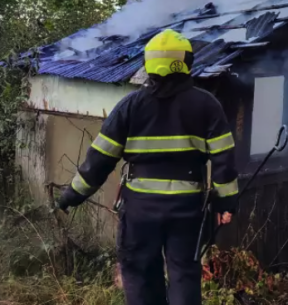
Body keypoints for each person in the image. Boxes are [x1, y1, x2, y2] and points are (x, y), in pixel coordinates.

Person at [57, 29, 239, 305]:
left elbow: (100, 159)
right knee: (184, 275)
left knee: (140, 275)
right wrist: (227, 204)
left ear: (148, 63)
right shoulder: (207, 105)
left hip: (140, 209)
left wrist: (72, 195)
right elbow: (224, 159)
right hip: (187, 208)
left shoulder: (130, 106)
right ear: (187, 62)